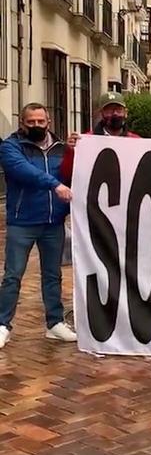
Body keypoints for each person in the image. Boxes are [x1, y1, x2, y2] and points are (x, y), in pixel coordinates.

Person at [0, 103, 77, 348]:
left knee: (53, 276)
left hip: (53, 222)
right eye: (30, 122)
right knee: (13, 275)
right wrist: (55, 185)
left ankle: (55, 324)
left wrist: (76, 149)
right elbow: (23, 171)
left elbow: (73, 171)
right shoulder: (10, 146)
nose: (35, 126)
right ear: (22, 123)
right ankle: (3, 325)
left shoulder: (61, 148)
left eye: (40, 122)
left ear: (48, 122)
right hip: (22, 221)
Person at [60, 91, 141, 183]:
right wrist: (70, 152)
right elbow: (67, 174)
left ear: (125, 113)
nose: (115, 114)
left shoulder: (136, 141)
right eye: (109, 110)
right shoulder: (86, 141)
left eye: (118, 110)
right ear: (101, 113)